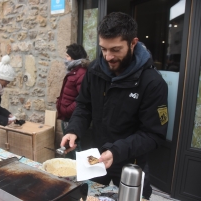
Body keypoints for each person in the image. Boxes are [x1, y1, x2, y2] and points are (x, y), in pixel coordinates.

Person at [60, 12, 168, 200]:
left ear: (133, 43)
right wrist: (74, 129)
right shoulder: (94, 71)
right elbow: (84, 106)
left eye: (116, 50)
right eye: (103, 49)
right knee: (86, 197)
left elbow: (153, 135)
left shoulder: (152, 83)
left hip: (131, 163)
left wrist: (116, 151)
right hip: (95, 157)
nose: (108, 57)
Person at [56, 43, 89, 159]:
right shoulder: (73, 70)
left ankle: (77, 174)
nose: (65, 59)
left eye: (67, 56)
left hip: (73, 118)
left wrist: (67, 109)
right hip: (67, 117)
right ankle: (69, 173)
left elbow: (83, 99)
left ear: (74, 57)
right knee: (68, 148)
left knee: (76, 148)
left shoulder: (81, 73)